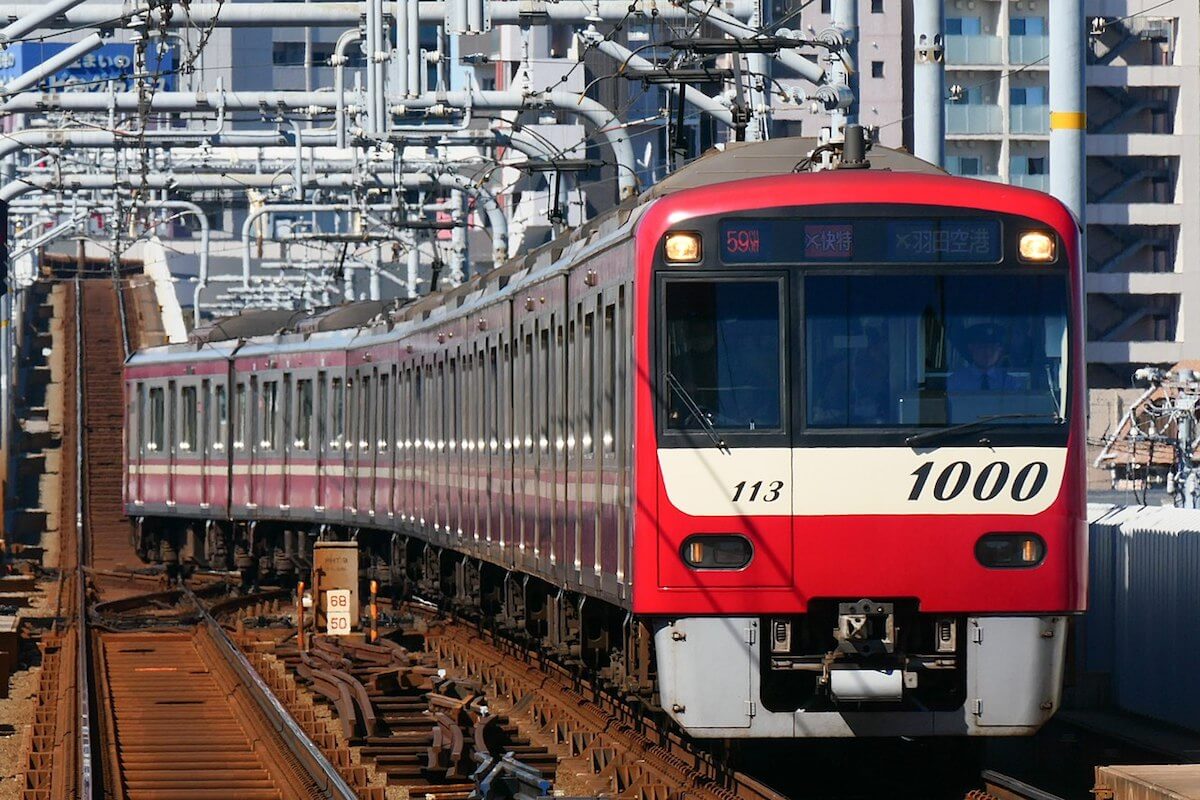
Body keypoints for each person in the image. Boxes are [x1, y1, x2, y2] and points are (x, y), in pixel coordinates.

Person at [948, 322, 1029, 392]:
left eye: (993, 347)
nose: (987, 352)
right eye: (982, 347)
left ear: (1000, 350)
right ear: (971, 348)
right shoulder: (955, 381)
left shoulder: (1010, 383)